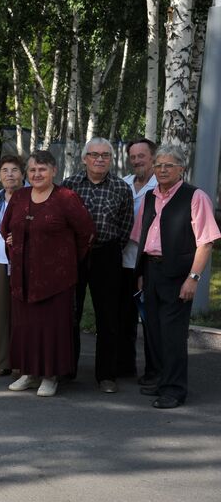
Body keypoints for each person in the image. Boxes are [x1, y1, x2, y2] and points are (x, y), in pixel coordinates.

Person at [132, 145, 220, 409]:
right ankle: (160, 379)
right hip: (151, 270)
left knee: (172, 334)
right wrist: (140, 275)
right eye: (158, 165)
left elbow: (206, 242)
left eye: (168, 165)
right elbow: (142, 237)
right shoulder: (150, 197)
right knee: (154, 331)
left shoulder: (195, 197)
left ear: (182, 168)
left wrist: (193, 277)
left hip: (178, 275)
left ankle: (174, 390)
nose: (162, 170)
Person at [2, 150, 94, 397]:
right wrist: (13, 242)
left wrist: (67, 259)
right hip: (23, 277)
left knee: (51, 329)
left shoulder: (66, 197)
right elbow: (5, 228)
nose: (37, 174)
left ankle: (50, 376)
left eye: (42, 169)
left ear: (54, 171)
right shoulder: (20, 197)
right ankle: (29, 373)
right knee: (26, 326)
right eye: (32, 170)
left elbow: (86, 233)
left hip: (56, 278)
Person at [62, 137, 134, 393]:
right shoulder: (69, 185)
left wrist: (112, 247)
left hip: (107, 255)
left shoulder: (121, 187)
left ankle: (106, 375)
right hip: (74, 255)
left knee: (108, 317)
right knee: (71, 312)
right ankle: (67, 369)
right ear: (84, 158)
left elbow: (126, 225)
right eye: (94, 154)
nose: (100, 159)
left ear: (111, 159)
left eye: (105, 155)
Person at [119, 138, 158, 383]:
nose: (136, 161)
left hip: (148, 263)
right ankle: (124, 367)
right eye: (133, 157)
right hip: (122, 261)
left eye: (141, 156)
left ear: (153, 157)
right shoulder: (123, 184)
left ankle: (154, 371)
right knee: (122, 318)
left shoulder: (161, 186)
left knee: (151, 320)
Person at [0, 155, 24, 376]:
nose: (10, 174)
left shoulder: (31, 197)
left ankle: (21, 362)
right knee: (0, 315)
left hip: (24, 265)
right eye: (5, 170)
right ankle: (3, 362)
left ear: (22, 174)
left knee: (22, 315)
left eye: (15, 170)